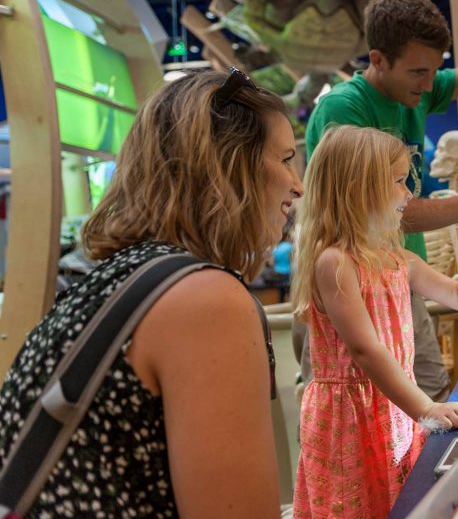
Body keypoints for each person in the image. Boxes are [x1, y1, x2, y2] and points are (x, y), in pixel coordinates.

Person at [0, 70, 302, 518]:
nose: (296, 184)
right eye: (286, 158)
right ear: (228, 166)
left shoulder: (123, 278)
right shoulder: (206, 299)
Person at [304, 0, 458, 401]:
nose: (428, 83)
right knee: (357, 397)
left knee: (429, 389)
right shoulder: (344, 109)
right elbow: (382, 210)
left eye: (434, 71)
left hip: (397, 272)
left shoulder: (417, 89)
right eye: (418, 71)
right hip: (354, 283)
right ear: (377, 59)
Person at [290, 125, 458, 519]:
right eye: (398, 181)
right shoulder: (334, 262)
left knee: (393, 501)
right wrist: (424, 407)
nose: (408, 193)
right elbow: (364, 350)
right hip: (348, 416)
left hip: (391, 403)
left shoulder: (398, 261)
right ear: (359, 187)